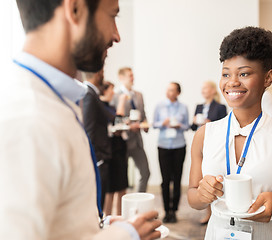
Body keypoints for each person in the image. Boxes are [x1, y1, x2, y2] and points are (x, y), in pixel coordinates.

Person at [0, 0, 161, 239]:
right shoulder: (27, 119)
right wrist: (125, 235)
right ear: (74, 9)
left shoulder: (53, 100)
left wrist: (97, 225)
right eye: (112, 16)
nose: (117, 36)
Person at [187, 26, 272, 239]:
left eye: (244, 73)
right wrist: (202, 195)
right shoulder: (205, 134)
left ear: (268, 78)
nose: (232, 82)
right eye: (226, 74)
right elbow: (192, 196)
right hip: (218, 233)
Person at [190, 81, 227, 224]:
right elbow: (193, 127)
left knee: (214, 177)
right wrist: (194, 121)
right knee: (203, 178)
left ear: (213, 90)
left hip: (215, 144)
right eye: (202, 88)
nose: (203, 91)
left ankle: (217, 211)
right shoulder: (199, 106)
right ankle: (208, 213)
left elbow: (223, 125)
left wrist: (209, 122)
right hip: (201, 144)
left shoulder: (220, 107)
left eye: (206, 88)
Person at [153, 82, 189, 223]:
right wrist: (163, 123)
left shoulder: (183, 107)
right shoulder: (159, 106)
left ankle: (174, 211)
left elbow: (187, 126)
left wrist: (179, 125)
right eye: (168, 90)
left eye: (172, 90)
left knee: (177, 179)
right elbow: (154, 123)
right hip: (163, 146)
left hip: (179, 146)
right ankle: (166, 211)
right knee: (165, 180)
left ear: (178, 93)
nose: (169, 92)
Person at [114, 67, 150, 193]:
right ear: (121, 78)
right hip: (123, 142)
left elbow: (143, 116)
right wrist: (128, 124)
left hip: (137, 142)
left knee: (145, 172)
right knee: (121, 177)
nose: (133, 78)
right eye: (130, 76)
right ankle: (124, 205)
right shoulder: (115, 95)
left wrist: (145, 126)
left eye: (133, 75)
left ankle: (139, 201)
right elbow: (115, 119)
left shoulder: (139, 95)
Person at [83, 70, 114, 209]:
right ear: (98, 74)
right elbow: (89, 129)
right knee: (98, 201)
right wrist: (97, 157)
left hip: (101, 154)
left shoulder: (92, 93)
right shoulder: (89, 94)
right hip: (98, 156)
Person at [98, 80, 129, 216]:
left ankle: (120, 216)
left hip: (120, 148)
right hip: (109, 150)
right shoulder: (100, 106)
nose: (114, 92)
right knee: (110, 188)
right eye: (111, 89)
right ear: (104, 91)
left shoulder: (110, 106)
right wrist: (122, 101)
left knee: (122, 186)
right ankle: (107, 217)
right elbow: (116, 119)